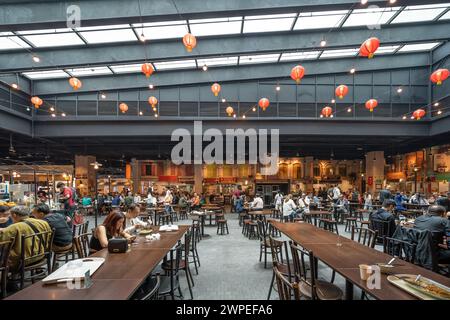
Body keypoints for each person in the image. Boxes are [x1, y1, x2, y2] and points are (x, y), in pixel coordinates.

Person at [0, 206, 52, 272]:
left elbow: (3, 244)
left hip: (22, 261)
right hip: (42, 255)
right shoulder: (43, 223)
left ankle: (8, 279)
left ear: (14, 215)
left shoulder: (13, 228)